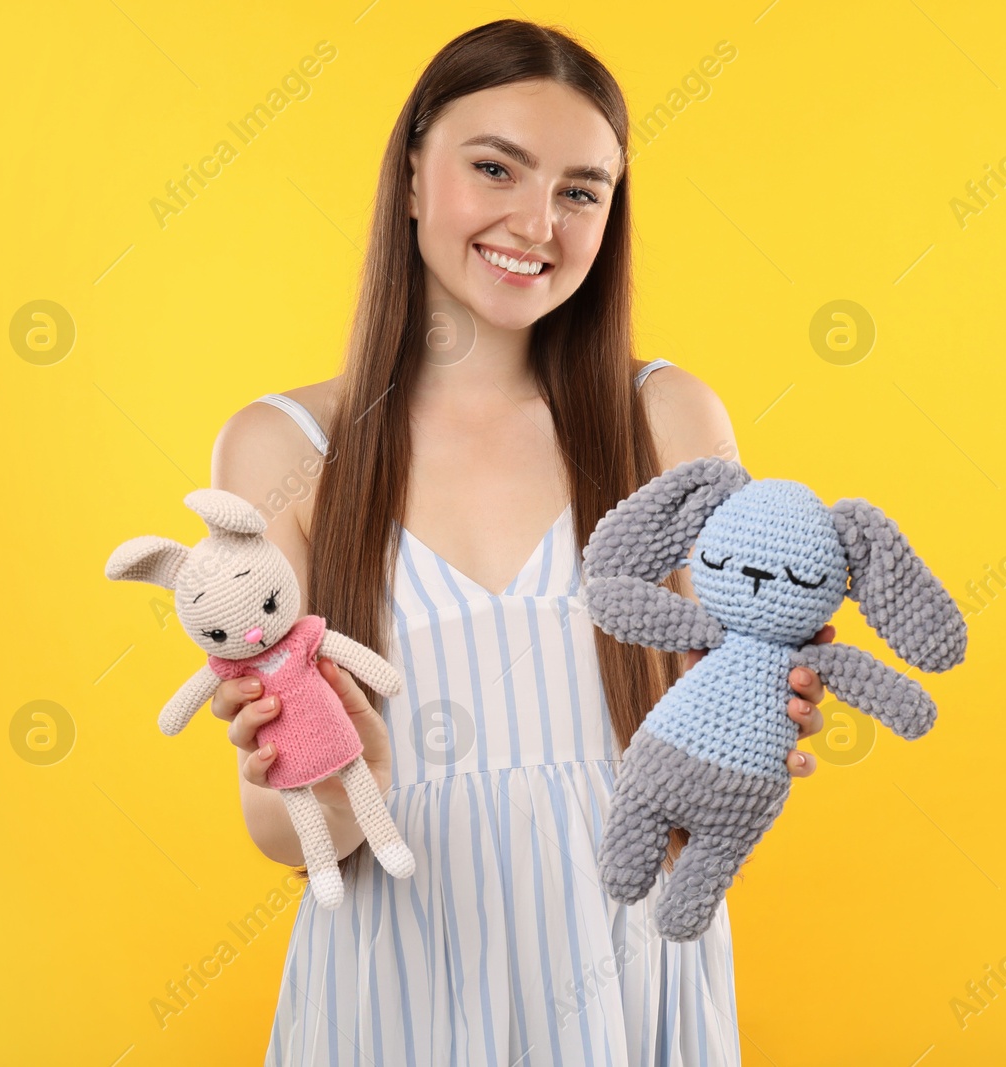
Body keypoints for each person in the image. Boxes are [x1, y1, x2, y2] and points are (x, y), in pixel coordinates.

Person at [208, 19, 832, 1065]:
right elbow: (288, 838)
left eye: (581, 190)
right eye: (495, 166)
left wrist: (743, 746)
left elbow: (692, 806)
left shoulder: (668, 420)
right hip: (394, 983)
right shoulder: (281, 447)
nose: (536, 222)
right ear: (411, 176)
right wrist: (336, 772)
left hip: (630, 979)